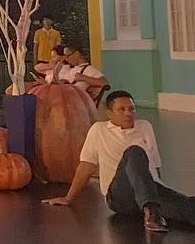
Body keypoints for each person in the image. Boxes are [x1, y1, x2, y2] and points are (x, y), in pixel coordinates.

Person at [42, 90, 195, 232]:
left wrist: (163, 193)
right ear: (109, 113)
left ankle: (151, 210)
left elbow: (155, 165)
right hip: (121, 196)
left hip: (149, 192)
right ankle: (151, 210)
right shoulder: (99, 130)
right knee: (134, 151)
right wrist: (69, 198)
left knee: (188, 207)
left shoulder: (145, 127)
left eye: (131, 109)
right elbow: (86, 166)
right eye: (121, 110)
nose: (128, 113)